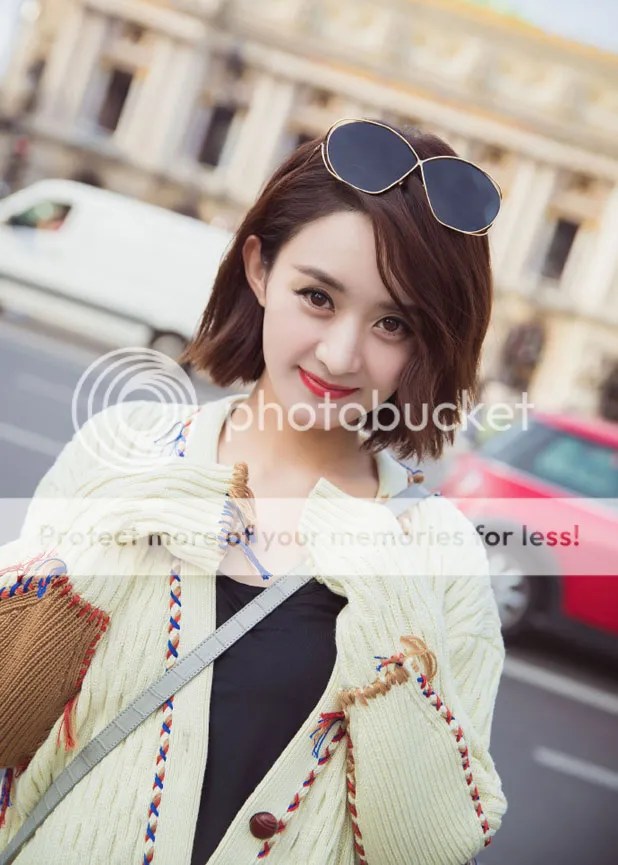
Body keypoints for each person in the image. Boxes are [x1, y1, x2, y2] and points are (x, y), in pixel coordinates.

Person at [0, 118, 507, 865]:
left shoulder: (439, 557)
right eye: (318, 296)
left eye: (393, 323)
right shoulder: (124, 453)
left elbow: (424, 848)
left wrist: (388, 602)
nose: (340, 353)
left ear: (429, 341)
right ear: (260, 269)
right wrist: (105, 539)